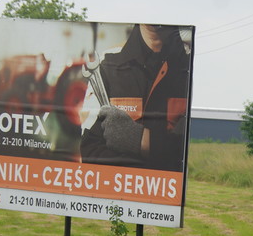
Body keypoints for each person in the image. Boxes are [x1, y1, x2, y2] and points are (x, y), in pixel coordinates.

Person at [80, 24, 191, 172]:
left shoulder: (190, 67)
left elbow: (188, 151)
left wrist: (140, 140)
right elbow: (90, 151)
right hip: (121, 190)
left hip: (167, 191)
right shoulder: (107, 68)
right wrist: (144, 171)